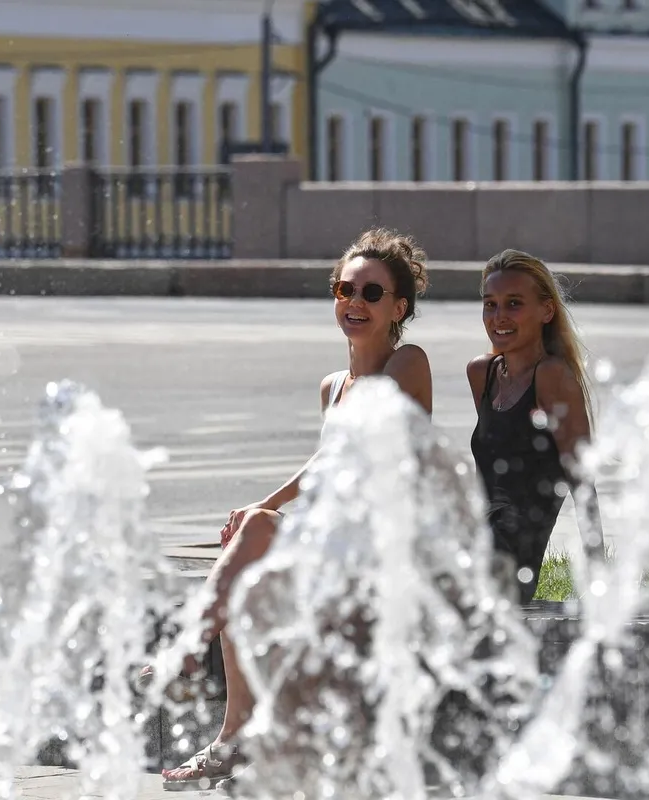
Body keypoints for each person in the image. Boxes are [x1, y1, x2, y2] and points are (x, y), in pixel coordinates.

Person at [155, 228, 434, 791]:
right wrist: (263, 505)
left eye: (371, 294)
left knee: (257, 535)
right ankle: (231, 739)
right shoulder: (332, 386)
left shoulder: (407, 365)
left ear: (399, 307)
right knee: (248, 582)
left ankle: (188, 649)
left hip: (381, 549)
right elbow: (324, 465)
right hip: (331, 544)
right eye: (344, 290)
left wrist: (265, 516)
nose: (354, 303)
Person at [467, 249, 603, 607]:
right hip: (475, 537)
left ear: (546, 310)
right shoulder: (483, 373)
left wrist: (599, 578)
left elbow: (582, 480)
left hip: (507, 563)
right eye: (490, 304)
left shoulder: (552, 376)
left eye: (514, 304)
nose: (498, 317)